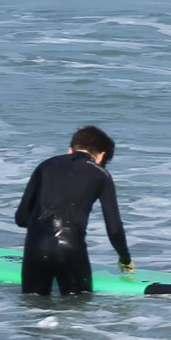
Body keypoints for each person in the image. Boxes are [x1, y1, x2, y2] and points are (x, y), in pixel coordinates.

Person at [13, 125, 131, 295]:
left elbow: (21, 218)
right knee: (77, 314)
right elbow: (114, 229)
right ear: (101, 156)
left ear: (71, 149)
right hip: (71, 251)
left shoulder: (45, 166)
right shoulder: (101, 174)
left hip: (35, 250)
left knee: (34, 310)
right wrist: (125, 258)